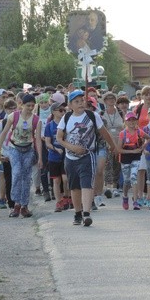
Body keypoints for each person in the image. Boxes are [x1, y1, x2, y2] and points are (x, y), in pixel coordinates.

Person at [56, 89, 116, 227]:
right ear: (70, 105)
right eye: (76, 102)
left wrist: (113, 145)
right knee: (75, 187)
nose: (80, 103)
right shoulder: (66, 118)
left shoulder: (92, 116)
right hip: (70, 157)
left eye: (81, 100)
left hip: (88, 156)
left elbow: (104, 132)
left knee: (87, 184)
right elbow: (59, 138)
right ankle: (77, 213)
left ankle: (87, 214)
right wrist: (71, 147)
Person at [0, 94, 43, 218]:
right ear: (22, 105)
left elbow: (38, 139)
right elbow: (3, 133)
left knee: (26, 177)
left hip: (28, 149)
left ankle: (24, 206)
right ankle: (15, 204)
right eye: (28, 105)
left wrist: (40, 157)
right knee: (16, 174)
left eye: (33, 106)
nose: (30, 108)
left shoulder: (36, 120)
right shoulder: (14, 116)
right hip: (14, 148)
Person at [117, 112, 150, 210]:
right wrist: (132, 151)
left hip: (136, 157)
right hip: (125, 158)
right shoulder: (122, 134)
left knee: (133, 177)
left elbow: (148, 138)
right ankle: (125, 196)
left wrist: (142, 147)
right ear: (125, 122)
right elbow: (119, 149)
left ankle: (135, 201)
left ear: (136, 121)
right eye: (129, 120)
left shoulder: (139, 132)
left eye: (133, 120)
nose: (131, 122)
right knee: (127, 181)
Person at [44, 100, 70, 213]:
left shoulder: (67, 124)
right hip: (54, 157)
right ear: (54, 112)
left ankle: (67, 198)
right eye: (60, 110)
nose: (63, 112)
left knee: (65, 179)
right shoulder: (49, 126)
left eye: (64, 110)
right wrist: (56, 149)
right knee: (56, 180)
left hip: (66, 155)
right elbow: (47, 143)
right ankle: (59, 201)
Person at [101, 91, 124, 205]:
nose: (111, 100)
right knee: (108, 165)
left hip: (119, 142)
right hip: (106, 143)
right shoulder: (102, 113)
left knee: (117, 165)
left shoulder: (120, 112)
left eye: (113, 98)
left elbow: (124, 127)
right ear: (105, 101)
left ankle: (115, 187)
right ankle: (108, 187)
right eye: (108, 99)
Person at [0, 98, 18, 210]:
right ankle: (11, 202)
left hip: (18, 154)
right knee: (8, 179)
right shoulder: (3, 123)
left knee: (18, 178)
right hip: (7, 155)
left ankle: (19, 201)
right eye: (10, 109)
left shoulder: (20, 120)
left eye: (15, 108)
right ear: (5, 109)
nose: (13, 110)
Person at [34, 93, 53, 201]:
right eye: (41, 102)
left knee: (52, 166)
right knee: (42, 166)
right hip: (40, 142)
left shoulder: (52, 111)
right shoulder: (37, 113)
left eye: (45, 102)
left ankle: (54, 189)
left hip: (51, 141)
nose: (44, 104)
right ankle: (45, 190)